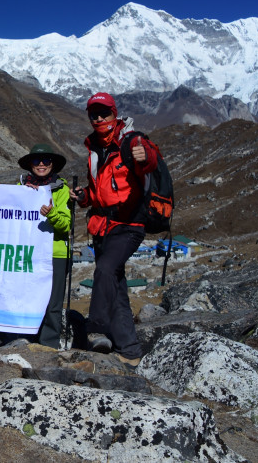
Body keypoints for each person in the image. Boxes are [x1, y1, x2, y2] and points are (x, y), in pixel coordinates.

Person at [70, 92, 157, 366]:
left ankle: (96, 326)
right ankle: (130, 350)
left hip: (129, 224)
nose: (98, 118)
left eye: (104, 113)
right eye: (93, 114)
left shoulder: (132, 140)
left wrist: (145, 156)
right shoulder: (94, 150)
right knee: (116, 286)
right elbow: (99, 194)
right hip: (102, 226)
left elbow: (151, 161)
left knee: (105, 270)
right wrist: (84, 198)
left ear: (114, 113)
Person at [17, 143, 71, 350]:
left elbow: (65, 225)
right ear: (29, 164)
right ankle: (24, 339)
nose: (41, 164)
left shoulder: (62, 189)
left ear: (53, 164)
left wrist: (52, 214)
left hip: (55, 252)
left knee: (53, 302)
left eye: (46, 161)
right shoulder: (21, 188)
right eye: (36, 161)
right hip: (29, 252)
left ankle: (48, 344)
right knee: (26, 295)